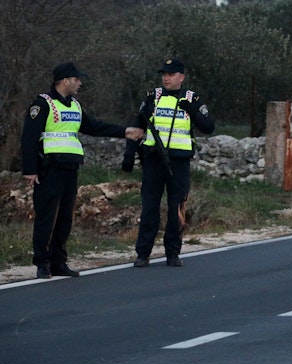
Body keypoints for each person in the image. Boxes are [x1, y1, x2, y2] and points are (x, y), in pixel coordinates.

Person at [21, 62, 144, 279]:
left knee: (65, 218)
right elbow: (29, 138)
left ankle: (59, 262)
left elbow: (94, 127)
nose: (80, 83)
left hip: (70, 168)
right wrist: (30, 170)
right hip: (48, 169)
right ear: (65, 80)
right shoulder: (43, 104)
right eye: (77, 79)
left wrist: (124, 131)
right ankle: (42, 263)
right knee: (46, 218)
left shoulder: (75, 106)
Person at [123, 58, 215, 268]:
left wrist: (191, 110)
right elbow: (137, 125)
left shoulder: (192, 99)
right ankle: (143, 254)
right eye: (164, 74)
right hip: (153, 161)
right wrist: (129, 155)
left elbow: (209, 127)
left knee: (177, 209)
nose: (166, 78)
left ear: (181, 77)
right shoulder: (152, 97)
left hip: (179, 163)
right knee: (149, 208)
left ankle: (173, 253)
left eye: (171, 74)